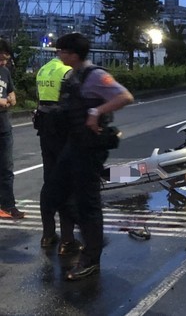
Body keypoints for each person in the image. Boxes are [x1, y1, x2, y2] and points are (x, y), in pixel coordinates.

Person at [46, 33, 133, 280]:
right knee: (54, 193)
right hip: (73, 144)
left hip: (91, 147)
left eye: (61, 51)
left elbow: (125, 96)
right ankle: (91, 233)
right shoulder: (73, 75)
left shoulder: (95, 75)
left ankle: (90, 258)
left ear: (73, 54)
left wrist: (97, 111)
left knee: (88, 201)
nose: (58, 54)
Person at [36, 56, 78, 250]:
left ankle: (48, 234)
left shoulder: (42, 70)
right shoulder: (67, 72)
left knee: (49, 181)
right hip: (63, 131)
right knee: (67, 184)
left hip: (45, 130)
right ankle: (67, 239)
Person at [0, 40, 24, 219]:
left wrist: (9, 100)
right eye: (1, 59)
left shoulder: (5, 72)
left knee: (7, 168)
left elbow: (12, 95)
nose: (4, 62)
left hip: (4, 126)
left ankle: (8, 205)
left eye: (6, 59)